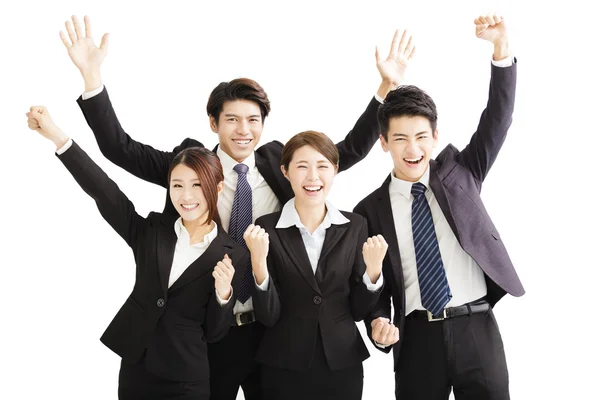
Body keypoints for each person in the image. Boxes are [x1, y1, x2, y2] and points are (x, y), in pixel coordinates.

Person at [58, 14, 415, 400]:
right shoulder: (189, 167)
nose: (243, 130)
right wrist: (92, 79)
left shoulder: (280, 164)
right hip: (210, 329)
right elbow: (119, 149)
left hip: (270, 329)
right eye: (231, 120)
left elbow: (344, 152)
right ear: (213, 123)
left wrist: (385, 88)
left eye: (252, 120)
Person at [353, 14, 524, 400]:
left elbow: (498, 119)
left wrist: (501, 51)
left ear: (435, 136)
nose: (412, 150)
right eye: (400, 139)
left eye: (420, 137)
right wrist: (378, 320)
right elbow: (373, 286)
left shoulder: (462, 172)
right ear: (384, 143)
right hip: (417, 339)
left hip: (476, 327)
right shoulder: (368, 212)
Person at [25, 106, 248, 400]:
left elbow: (215, 333)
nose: (187, 196)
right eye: (177, 185)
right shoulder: (153, 231)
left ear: (218, 187)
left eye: (197, 185)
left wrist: (223, 294)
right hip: (136, 369)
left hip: (186, 379)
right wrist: (58, 138)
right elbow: (105, 192)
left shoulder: (233, 254)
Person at [243, 130, 387, 400]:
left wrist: (373, 272)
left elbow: (357, 311)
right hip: (283, 363)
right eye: (302, 167)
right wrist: (258, 264)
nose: (312, 177)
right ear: (285, 172)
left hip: (342, 362)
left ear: (335, 169)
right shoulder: (266, 228)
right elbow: (268, 316)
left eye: (322, 166)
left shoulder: (354, 226)